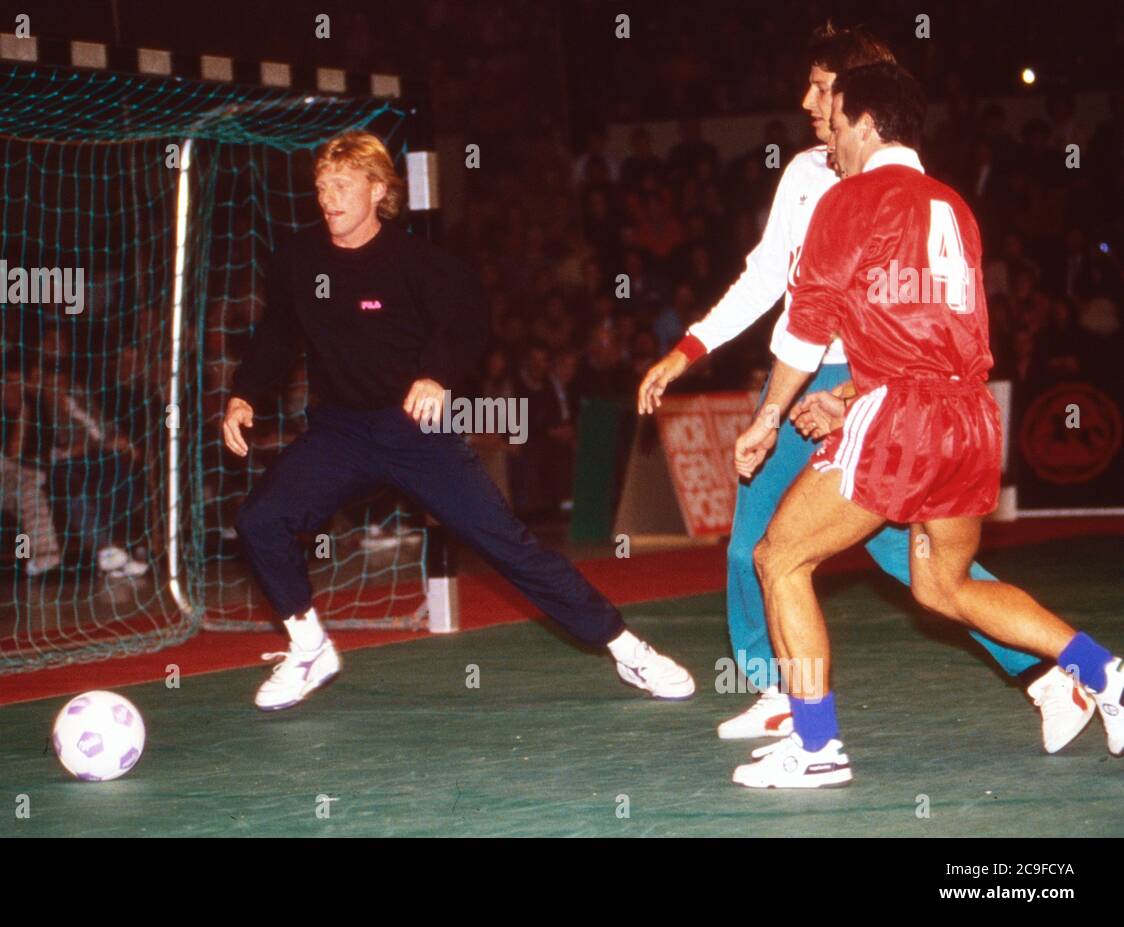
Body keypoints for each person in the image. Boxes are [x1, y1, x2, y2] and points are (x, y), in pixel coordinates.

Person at [636, 23, 1088, 754]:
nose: (807, 101)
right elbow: (766, 276)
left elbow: (858, 317)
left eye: (822, 88)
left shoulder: (878, 179)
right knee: (802, 548)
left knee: (822, 552)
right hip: (849, 381)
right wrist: (689, 348)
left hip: (861, 378)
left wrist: (832, 397)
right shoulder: (825, 173)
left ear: (860, 101)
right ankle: (786, 694)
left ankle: (821, 720)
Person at [730, 62, 1124, 788]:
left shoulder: (848, 200)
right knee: (943, 584)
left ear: (865, 124)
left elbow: (805, 326)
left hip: (903, 420)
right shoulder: (954, 206)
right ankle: (1105, 672)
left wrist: (769, 417)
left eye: (836, 123)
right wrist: (852, 392)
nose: (829, 141)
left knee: (778, 558)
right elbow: (941, 337)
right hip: (969, 417)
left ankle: (816, 745)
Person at [222, 130, 694, 711]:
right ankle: (309, 647)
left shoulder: (417, 263)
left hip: (414, 431)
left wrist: (435, 375)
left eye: (342, 184)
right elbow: (276, 334)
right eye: (322, 186)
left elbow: (467, 320)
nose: (328, 197)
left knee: (508, 546)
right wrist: (244, 393)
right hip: (339, 432)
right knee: (260, 520)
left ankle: (628, 649)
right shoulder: (299, 260)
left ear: (378, 190)